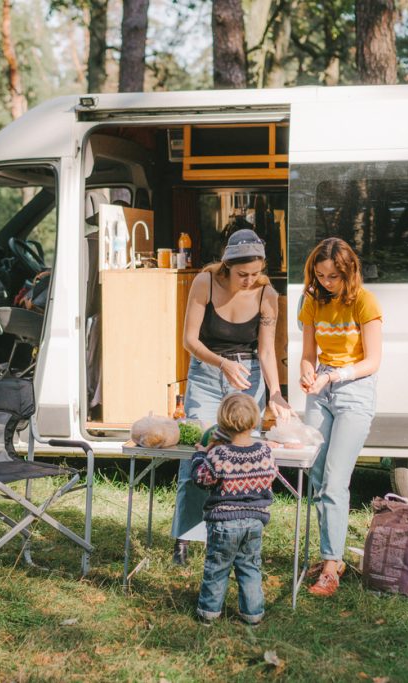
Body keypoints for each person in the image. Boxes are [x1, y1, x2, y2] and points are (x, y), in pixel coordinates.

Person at [172, 228, 294, 565]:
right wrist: (222, 363)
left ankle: (239, 539)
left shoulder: (267, 293)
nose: (249, 280)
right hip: (208, 374)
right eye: (243, 274)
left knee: (242, 462)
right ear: (226, 267)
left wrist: (276, 393)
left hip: (247, 378)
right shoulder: (205, 283)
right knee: (197, 454)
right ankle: (185, 537)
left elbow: (267, 351)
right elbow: (189, 340)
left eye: (255, 274)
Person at [298, 237, 383, 598]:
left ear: (348, 273)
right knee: (317, 474)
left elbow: (373, 361)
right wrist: (306, 373)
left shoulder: (365, 302)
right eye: (320, 276)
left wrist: (334, 375)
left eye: (333, 276)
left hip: (354, 389)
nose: (326, 283)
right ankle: (330, 555)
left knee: (335, 478)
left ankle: (331, 565)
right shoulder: (312, 301)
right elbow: (307, 353)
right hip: (322, 386)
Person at [189, 393, 276, 625]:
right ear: (254, 421)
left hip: (224, 522)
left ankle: (209, 613)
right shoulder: (265, 452)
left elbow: (200, 479)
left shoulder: (220, 454)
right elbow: (270, 477)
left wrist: (200, 454)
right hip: (255, 520)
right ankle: (253, 613)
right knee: (249, 566)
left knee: (217, 567)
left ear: (222, 423)